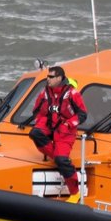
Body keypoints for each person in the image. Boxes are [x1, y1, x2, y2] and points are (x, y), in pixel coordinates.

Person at [30, 66, 88, 203]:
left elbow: (82, 114)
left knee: (62, 160)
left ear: (59, 78)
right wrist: (41, 121)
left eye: (51, 77)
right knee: (35, 133)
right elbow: (36, 110)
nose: (48, 79)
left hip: (65, 131)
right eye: (47, 76)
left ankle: (75, 192)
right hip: (49, 125)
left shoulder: (72, 94)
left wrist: (68, 124)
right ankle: (56, 156)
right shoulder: (45, 92)